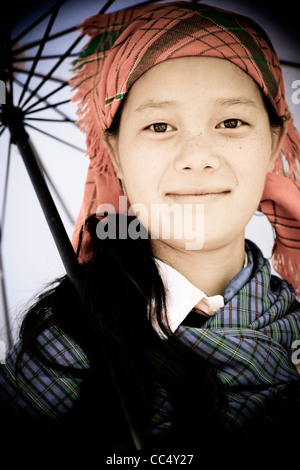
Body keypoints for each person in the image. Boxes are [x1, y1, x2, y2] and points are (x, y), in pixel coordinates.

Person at [1, 1, 300, 459]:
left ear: (273, 143)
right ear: (116, 157)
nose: (198, 156)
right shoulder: (65, 347)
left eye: (231, 122)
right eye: (160, 125)